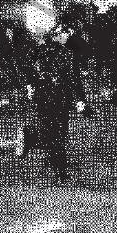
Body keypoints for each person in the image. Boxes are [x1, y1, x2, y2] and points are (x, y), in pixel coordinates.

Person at [17, 23, 87, 183]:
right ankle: (60, 171)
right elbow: (74, 79)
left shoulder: (41, 51)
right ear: (55, 35)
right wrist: (80, 100)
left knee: (54, 134)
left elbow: (27, 69)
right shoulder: (63, 54)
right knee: (57, 134)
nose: (67, 36)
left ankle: (33, 139)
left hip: (47, 98)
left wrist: (30, 86)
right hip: (55, 99)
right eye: (64, 33)